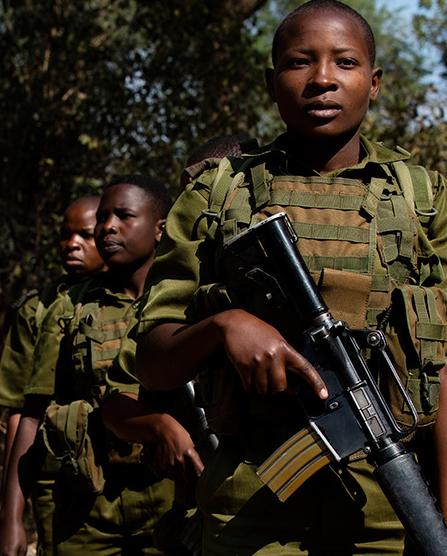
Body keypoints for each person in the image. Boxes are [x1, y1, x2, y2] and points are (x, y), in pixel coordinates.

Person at [130, 2, 447, 554]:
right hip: (251, 506)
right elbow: (153, 361)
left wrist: (440, 521)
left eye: (345, 63)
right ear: (271, 83)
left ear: (373, 84)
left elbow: (445, 373)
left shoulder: (425, 201)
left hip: (393, 511)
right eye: (301, 62)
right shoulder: (217, 195)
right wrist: (223, 327)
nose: (323, 79)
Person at [0, 174, 174, 556]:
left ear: (161, 229)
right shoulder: (68, 307)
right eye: (103, 218)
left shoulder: (185, 301)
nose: (107, 227)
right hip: (84, 504)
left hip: (171, 501)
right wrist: (10, 516)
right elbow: (31, 412)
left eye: (124, 216)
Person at [100, 135, 254, 556]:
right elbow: (118, 399)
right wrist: (163, 428)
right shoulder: (178, 293)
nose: (199, 198)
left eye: (209, 183)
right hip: (210, 508)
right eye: (192, 187)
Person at [0, 195, 106, 555]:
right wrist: (10, 511)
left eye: (85, 235)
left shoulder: (143, 295)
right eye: (65, 235)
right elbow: (19, 410)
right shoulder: (38, 309)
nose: (72, 245)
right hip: (56, 474)